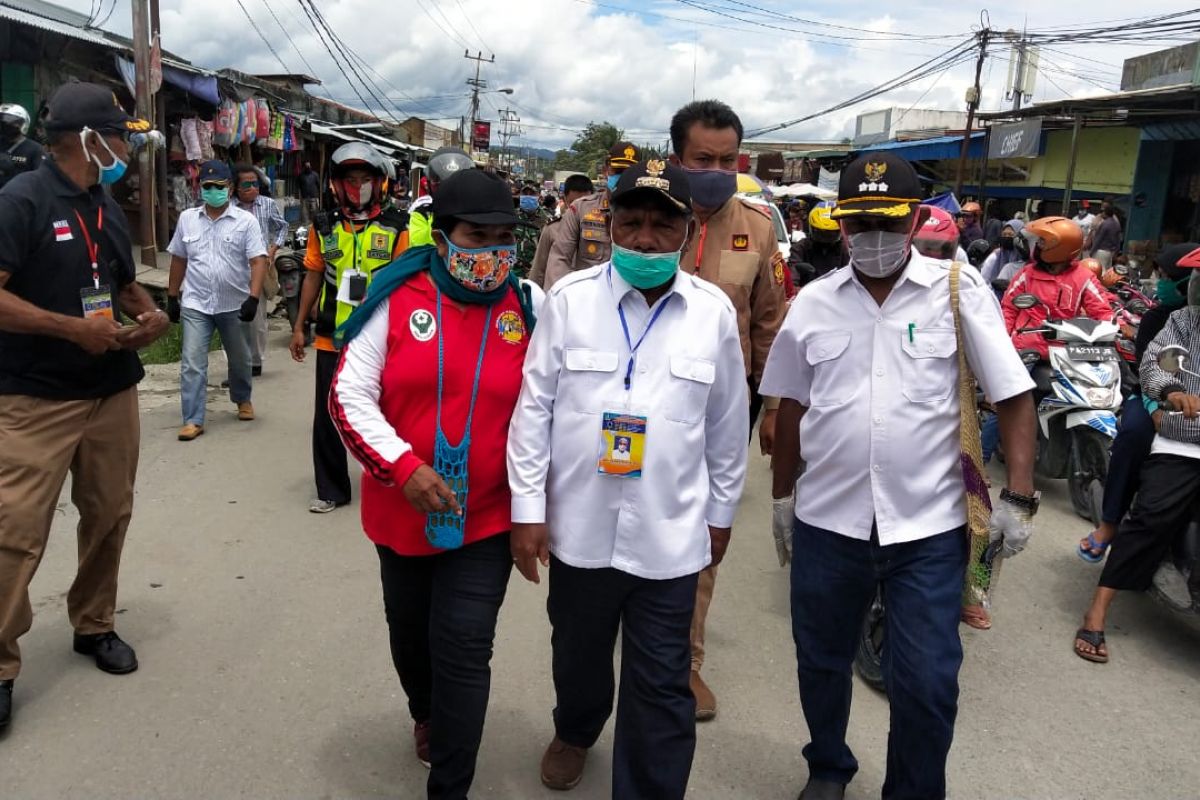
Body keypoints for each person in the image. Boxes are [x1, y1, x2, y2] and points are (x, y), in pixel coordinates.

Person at [761, 152, 1037, 800]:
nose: (873, 240)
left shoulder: (958, 291)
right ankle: (827, 766)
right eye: (859, 226)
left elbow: (1014, 395)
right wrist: (780, 499)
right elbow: (791, 408)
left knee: (929, 680)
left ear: (914, 220)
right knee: (820, 662)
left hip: (929, 530)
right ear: (842, 226)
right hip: (828, 522)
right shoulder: (816, 305)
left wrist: (1018, 498)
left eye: (887, 223)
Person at [508, 159, 748, 798]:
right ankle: (577, 729)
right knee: (578, 657)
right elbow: (534, 412)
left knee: (661, 680)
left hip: (670, 533)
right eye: (632, 222)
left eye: (661, 225)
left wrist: (721, 513)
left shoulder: (713, 314)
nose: (644, 238)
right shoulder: (568, 301)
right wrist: (527, 510)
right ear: (609, 225)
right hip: (580, 529)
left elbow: (727, 425)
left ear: (687, 233)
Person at [330, 168, 540, 798]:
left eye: (505, 237)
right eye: (478, 235)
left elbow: (551, 404)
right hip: (404, 512)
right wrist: (404, 467)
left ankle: (450, 783)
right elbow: (349, 395)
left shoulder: (528, 305)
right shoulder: (396, 296)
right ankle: (426, 712)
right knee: (411, 640)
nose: (493, 253)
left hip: (486, 517)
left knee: (465, 647)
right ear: (443, 236)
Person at [0, 81, 170, 731]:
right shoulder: (21, 202)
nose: (129, 147)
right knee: (15, 530)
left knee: (109, 515)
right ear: (91, 141)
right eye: (122, 136)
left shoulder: (103, 202)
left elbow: (120, 283)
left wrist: (147, 313)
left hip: (110, 392)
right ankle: (0, 664)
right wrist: (71, 328)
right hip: (34, 397)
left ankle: (93, 623)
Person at [669, 99, 787, 720]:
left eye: (727, 159)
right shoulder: (641, 217)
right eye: (702, 159)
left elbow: (770, 322)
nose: (716, 170)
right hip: (647, 398)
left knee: (705, 531)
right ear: (677, 160)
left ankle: (686, 662)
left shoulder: (759, 228)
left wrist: (770, 405)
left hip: (726, 404)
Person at [1073, 246, 1200, 663]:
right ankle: (1097, 611)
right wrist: (1170, 392)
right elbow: (1157, 364)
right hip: (1185, 439)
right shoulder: (1182, 321)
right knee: (1150, 516)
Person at [289, 142, 408, 513]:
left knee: (388, 411)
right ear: (336, 185)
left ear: (380, 183)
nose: (358, 186)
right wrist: (298, 326)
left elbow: (405, 284)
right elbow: (311, 275)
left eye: (365, 179)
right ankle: (331, 489)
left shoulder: (396, 227)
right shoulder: (322, 227)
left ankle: (393, 478)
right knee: (327, 414)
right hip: (331, 337)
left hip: (381, 339)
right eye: (350, 179)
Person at [166, 161, 267, 440]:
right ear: (200, 189)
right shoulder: (187, 219)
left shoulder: (246, 222)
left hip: (234, 304)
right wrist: (172, 296)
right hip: (196, 303)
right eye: (207, 187)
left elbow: (258, 261)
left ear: (230, 189)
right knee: (192, 362)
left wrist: (253, 298)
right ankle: (193, 418)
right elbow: (178, 257)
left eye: (218, 187)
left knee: (240, 359)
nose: (212, 191)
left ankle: (242, 398)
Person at [1001, 216, 1115, 360]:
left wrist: (1116, 327)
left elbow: (1102, 311)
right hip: (1025, 350)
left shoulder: (1083, 277)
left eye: (1043, 241)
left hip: (1065, 353)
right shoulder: (1027, 273)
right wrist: (1001, 343)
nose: (1038, 245)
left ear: (1060, 247)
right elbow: (1009, 309)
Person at [545, 141, 641, 280]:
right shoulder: (580, 209)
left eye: (630, 173)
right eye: (618, 171)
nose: (623, 178)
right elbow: (560, 258)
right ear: (605, 171)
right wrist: (563, 297)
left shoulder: (647, 215)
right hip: (585, 297)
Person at [233, 163, 287, 377]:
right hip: (235, 268)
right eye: (246, 184)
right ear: (236, 187)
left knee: (256, 319)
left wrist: (273, 249)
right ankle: (237, 361)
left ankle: (256, 360)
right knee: (234, 318)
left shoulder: (267, 204)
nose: (252, 188)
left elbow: (281, 226)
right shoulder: (229, 207)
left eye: (255, 183)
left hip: (260, 267)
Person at [528, 173, 592, 289]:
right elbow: (538, 270)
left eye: (584, 203)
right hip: (554, 299)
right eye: (574, 203)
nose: (579, 209)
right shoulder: (552, 229)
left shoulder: (602, 232)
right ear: (565, 200)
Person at [405, 147, 476, 251]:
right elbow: (417, 242)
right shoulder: (422, 211)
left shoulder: (477, 211)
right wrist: (442, 222)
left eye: (455, 184)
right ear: (429, 183)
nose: (448, 190)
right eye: (439, 183)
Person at [790, 201, 848, 279]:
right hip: (808, 289)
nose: (825, 240)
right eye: (821, 233)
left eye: (831, 234)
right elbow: (793, 275)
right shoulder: (799, 248)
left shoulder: (846, 249)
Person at [0, 103, 43, 190]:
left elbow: (41, 180)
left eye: (11, 122)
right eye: (3, 122)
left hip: (21, 198)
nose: (6, 125)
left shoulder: (35, 149)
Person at [514, 183, 552, 277]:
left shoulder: (547, 219)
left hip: (536, 273)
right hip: (512, 273)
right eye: (525, 194)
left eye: (531, 194)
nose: (528, 197)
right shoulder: (512, 216)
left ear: (538, 196)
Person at [979, 218, 1027, 285]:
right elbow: (983, 278)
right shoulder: (996, 256)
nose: (1006, 237)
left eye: (1010, 234)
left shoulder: (1026, 260)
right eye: (1004, 234)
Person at [1089, 198, 1122, 268]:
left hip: (1101, 251)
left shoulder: (1105, 224)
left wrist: (1092, 251)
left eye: (1103, 211)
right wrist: (1116, 251)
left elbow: (1099, 239)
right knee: (1106, 270)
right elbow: (1118, 239)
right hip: (1109, 252)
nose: (1101, 213)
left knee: (1100, 269)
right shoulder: (1115, 223)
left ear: (1106, 212)